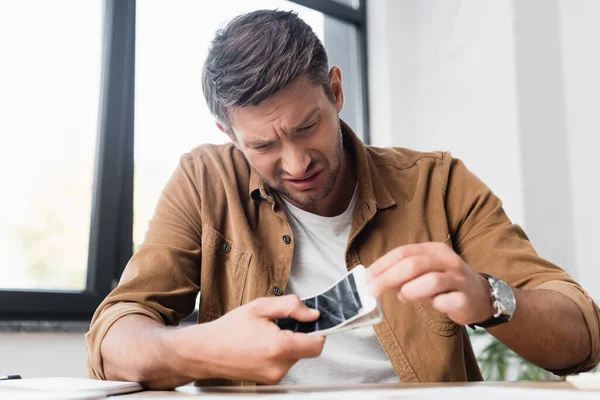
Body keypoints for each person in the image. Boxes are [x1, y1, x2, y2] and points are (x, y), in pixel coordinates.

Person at [85, 10, 600, 389]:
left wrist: (489, 298)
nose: (295, 164)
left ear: (335, 91)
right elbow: (113, 338)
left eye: (308, 127)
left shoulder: (439, 183)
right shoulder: (204, 180)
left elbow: (582, 337)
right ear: (228, 132)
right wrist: (204, 347)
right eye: (262, 145)